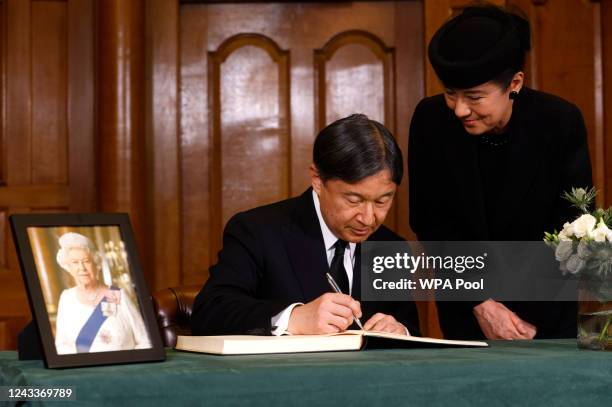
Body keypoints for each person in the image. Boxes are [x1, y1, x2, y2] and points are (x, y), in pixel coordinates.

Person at [408, 5, 592, 340]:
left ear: (515, 83)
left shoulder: (559, 122)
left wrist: (530, 322)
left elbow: (574, 228)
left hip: (545, 315)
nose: (461, 109)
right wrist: (480, 302)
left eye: (475, 97)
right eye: (451, 94)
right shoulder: (430, 120)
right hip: (467, 312)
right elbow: (430, 224)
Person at [191, 114, 420, 336]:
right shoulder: (257, 231)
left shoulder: (391, 247)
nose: (368, 218)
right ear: (318, 181)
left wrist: (401, 331)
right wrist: (293, 318)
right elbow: (210, 312)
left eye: (383, 200)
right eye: (354, 200)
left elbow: (411, 330)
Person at [54, 232, 151, 354]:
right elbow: (61, 345)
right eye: (75, 262)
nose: (82, 268)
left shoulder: (117, 295)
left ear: (96, 263)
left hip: (124, 368)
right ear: (68, 267)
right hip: (86, 370)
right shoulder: (66, 298)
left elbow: (145, 341)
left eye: (86, 261)